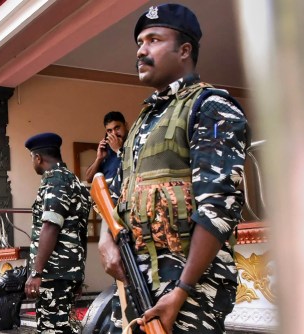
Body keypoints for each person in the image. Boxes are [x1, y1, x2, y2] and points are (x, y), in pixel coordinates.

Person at [99, 4, 249, 333]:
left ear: (184, 50)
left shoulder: (211, 108)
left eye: (153, 39)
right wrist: (105, 240)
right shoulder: (141, 123)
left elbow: (217, 210)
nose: (141, 50)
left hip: (189, 290)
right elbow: (115, 194)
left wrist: (180, 290)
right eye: (139, 42)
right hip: (136, 285)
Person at [23, 132, 91, 334]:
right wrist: (78, 275)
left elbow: (51, 226)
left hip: (54, 272)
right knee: (61, 326)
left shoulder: (55, 180)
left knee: (52, 329)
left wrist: (36, 272)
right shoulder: (74, 181)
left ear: (38, 158)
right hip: (67, 271)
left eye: (31, 159)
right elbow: (81, 232)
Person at [84, 111, 128, 184]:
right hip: (107, 193)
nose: (114, 134)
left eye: (117, 128)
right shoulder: (107, 150)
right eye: (109, 131)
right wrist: (99, 158)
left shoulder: (133, 144)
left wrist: (118, 150)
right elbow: (89, 178)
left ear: (125, 125)